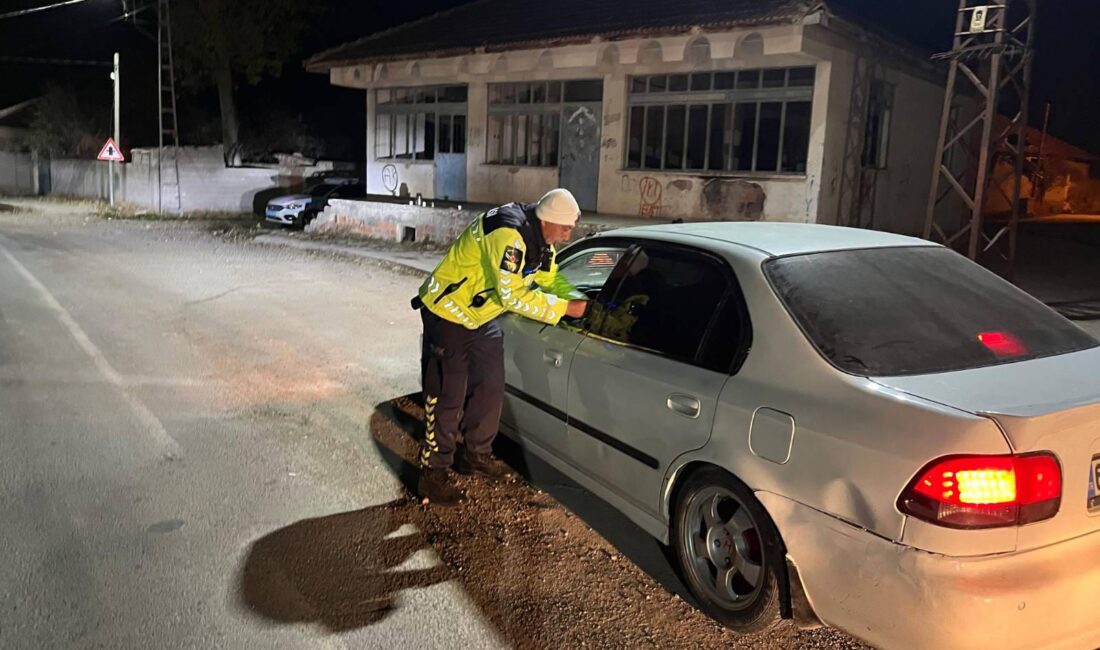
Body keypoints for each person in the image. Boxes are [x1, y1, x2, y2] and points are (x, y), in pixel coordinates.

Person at [410, 188, 589, 505]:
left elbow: (549, 278)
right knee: (447, 395)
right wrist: (562, 309)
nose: (568, 234)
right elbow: (513, 297)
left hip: (480, 315)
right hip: (448, 310)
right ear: (548, 220)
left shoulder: (542, 240)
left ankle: (475, 455)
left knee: (490, 386)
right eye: (566, 228)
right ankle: (432, 473)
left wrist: (575, 296)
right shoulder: (509, 235)